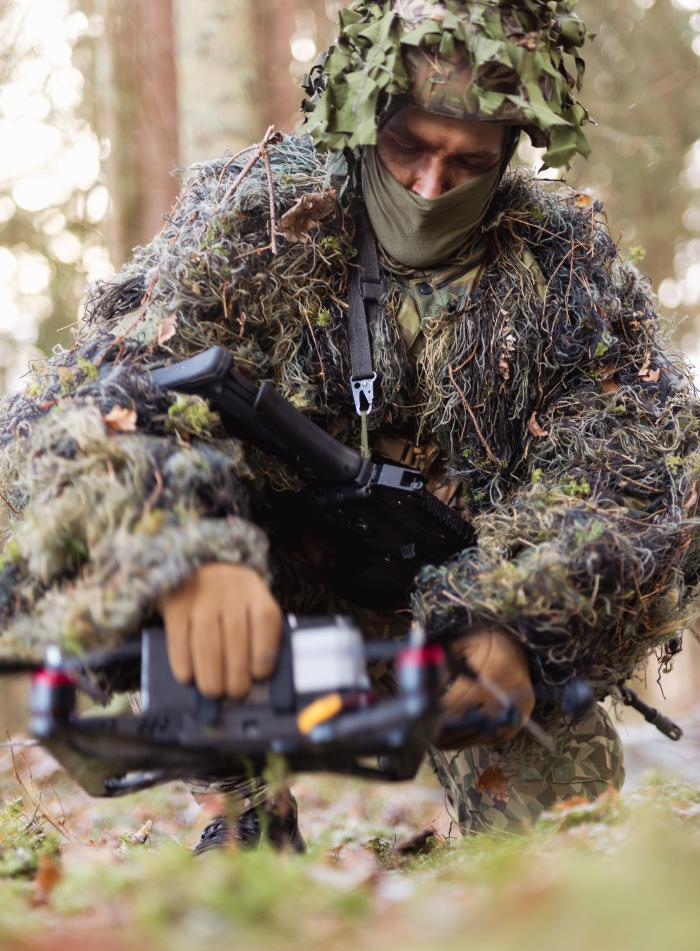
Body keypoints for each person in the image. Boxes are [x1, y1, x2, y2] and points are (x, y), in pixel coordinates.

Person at [0, 0, 698, 849]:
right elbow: (90, 403)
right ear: (367, 123)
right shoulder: (256, 218)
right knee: (159, 550)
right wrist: (183, 553)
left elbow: (637, 459)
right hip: (269, 576)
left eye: (468, 162)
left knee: (549, 850)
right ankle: (239, 801)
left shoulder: (565, 264)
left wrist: (521, 616)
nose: (431, 186)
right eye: (409, 148)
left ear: (510, 156)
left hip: (466, 595)